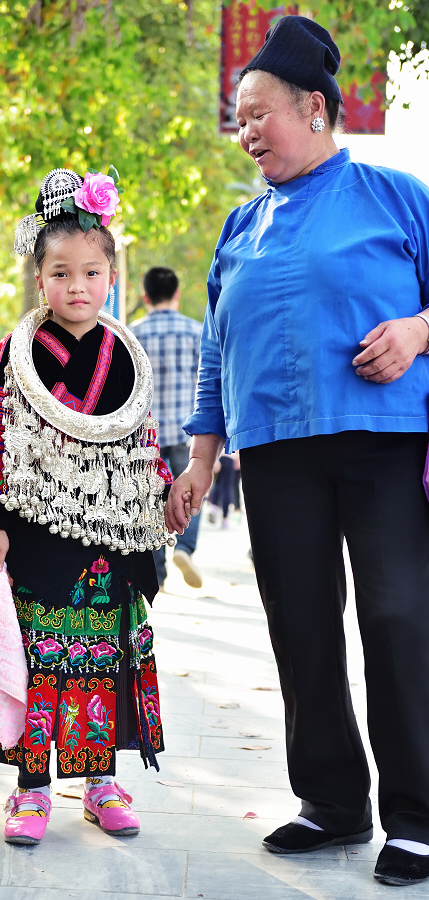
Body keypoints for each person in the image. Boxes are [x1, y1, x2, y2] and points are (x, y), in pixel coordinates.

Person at [165, 15, 429, 888]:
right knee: (301, 627)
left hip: (383, 443)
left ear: (314, 108)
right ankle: (334, 802)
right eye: (238, 117)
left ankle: (418, 817)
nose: (244, 131)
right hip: (273, 454)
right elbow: (214, 356)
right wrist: (200, 463)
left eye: (257, 113)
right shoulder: (239, 229)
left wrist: (419, 329)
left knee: (396, 618)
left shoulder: (396, 197)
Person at [0, 166, 173, 847]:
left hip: (110, 542)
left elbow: (140, 441)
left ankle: (100, 784)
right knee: (40, 659)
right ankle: (31, 791)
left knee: (101, 659)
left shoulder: (124, 355)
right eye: (62, 273)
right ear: (39, 279)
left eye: (92, 273)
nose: (78, 287)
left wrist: (165, 494)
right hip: (37, 536)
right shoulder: (16, 353)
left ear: (112, 276)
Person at [131, 267, 203, 589]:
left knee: (151, 500)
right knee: (192, 492)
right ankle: (185, 548)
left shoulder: (131, 334)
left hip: (146, 434)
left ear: (145, 297)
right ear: (177, 293)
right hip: (187, 433)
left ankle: (157, 574)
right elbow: (207, 385)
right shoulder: (195, 331)